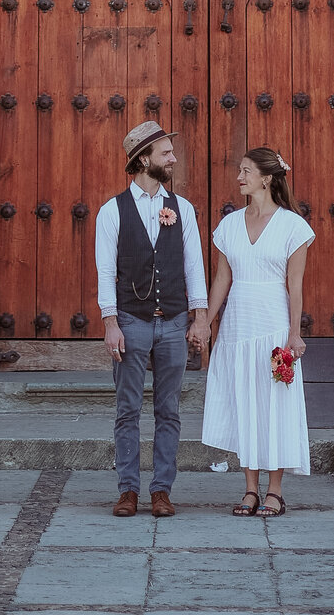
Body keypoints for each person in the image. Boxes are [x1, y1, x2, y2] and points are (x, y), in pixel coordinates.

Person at [95, 121, 209, 517]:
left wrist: (201, 318)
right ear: (144, 159)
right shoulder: (112, 211)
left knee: (169, 410)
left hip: (175, 322)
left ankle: (161, 490)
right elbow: (105, 271)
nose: (173, 158)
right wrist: (111, 324)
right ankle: (128, 490)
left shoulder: (183, 209)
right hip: (131, 322)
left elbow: (194, 266)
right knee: (127, 409)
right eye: (165, 152)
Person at [201, 147, 315, 516]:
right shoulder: (230, 224)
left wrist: (294, 335)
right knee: (244, 402)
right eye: (240, 169)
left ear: (267, 178)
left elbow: (294, 285)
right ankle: (250, 489)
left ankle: (275, 491)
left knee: (274, 404)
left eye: (246, 170)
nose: (240, 176)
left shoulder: (293, 227)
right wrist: (204, 320)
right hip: (237, 324)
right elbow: (222, 278)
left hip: (273, 324)